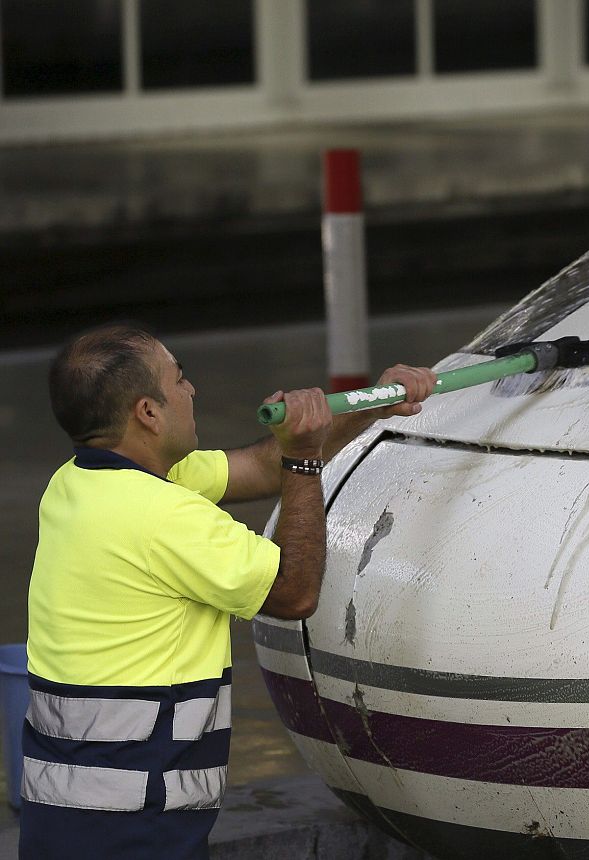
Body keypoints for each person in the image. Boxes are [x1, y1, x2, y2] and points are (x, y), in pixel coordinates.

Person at [18, 323, 437, 859]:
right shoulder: (162, 517)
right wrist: (304, 460)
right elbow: (293, 593)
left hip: (65, 808)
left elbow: (263, 466)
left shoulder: (78, 483)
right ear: (148, 412)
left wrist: (372, 406)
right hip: (134, 823)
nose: (192, 391)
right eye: (180, 379)